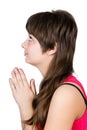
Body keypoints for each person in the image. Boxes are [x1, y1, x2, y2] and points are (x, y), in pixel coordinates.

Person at [9, 10, 87, 130]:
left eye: (30, 38)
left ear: (52, 48)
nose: (23, 44)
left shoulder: (66, 93)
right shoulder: (51, 89)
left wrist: (26, 106)